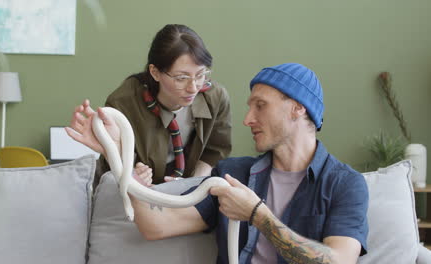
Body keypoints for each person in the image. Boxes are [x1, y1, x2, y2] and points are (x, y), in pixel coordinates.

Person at [73, 63, 369, 264]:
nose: (247, 119)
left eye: (261, 105)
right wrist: (118, 150)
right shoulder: (233, 174)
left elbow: (337, 261)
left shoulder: (344, 184)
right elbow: (156, 227)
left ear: (297, 108)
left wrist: (256, 215)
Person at [67, 24, 232, 188]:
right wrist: (133, 173)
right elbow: (117, 162)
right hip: (129, 189)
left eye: (200, 75)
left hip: (187, 188)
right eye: (181, 78)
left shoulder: (215, 98)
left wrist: (193, 185)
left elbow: (214, 151)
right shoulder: (123, 103)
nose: (193, 87)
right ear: (155, 72)